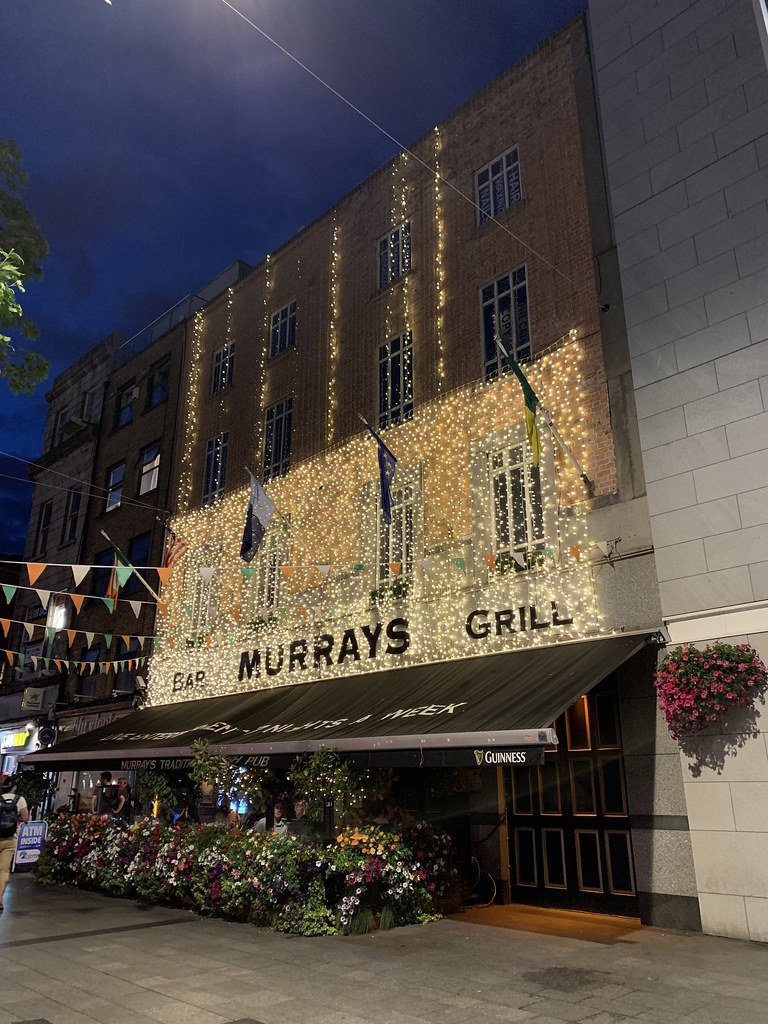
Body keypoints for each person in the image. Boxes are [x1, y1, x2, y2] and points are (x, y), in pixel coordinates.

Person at [0, 775, 29, 912]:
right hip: (10, 839)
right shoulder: (20, 800)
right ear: (14, 787)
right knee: (4, 870)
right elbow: (25, 817)